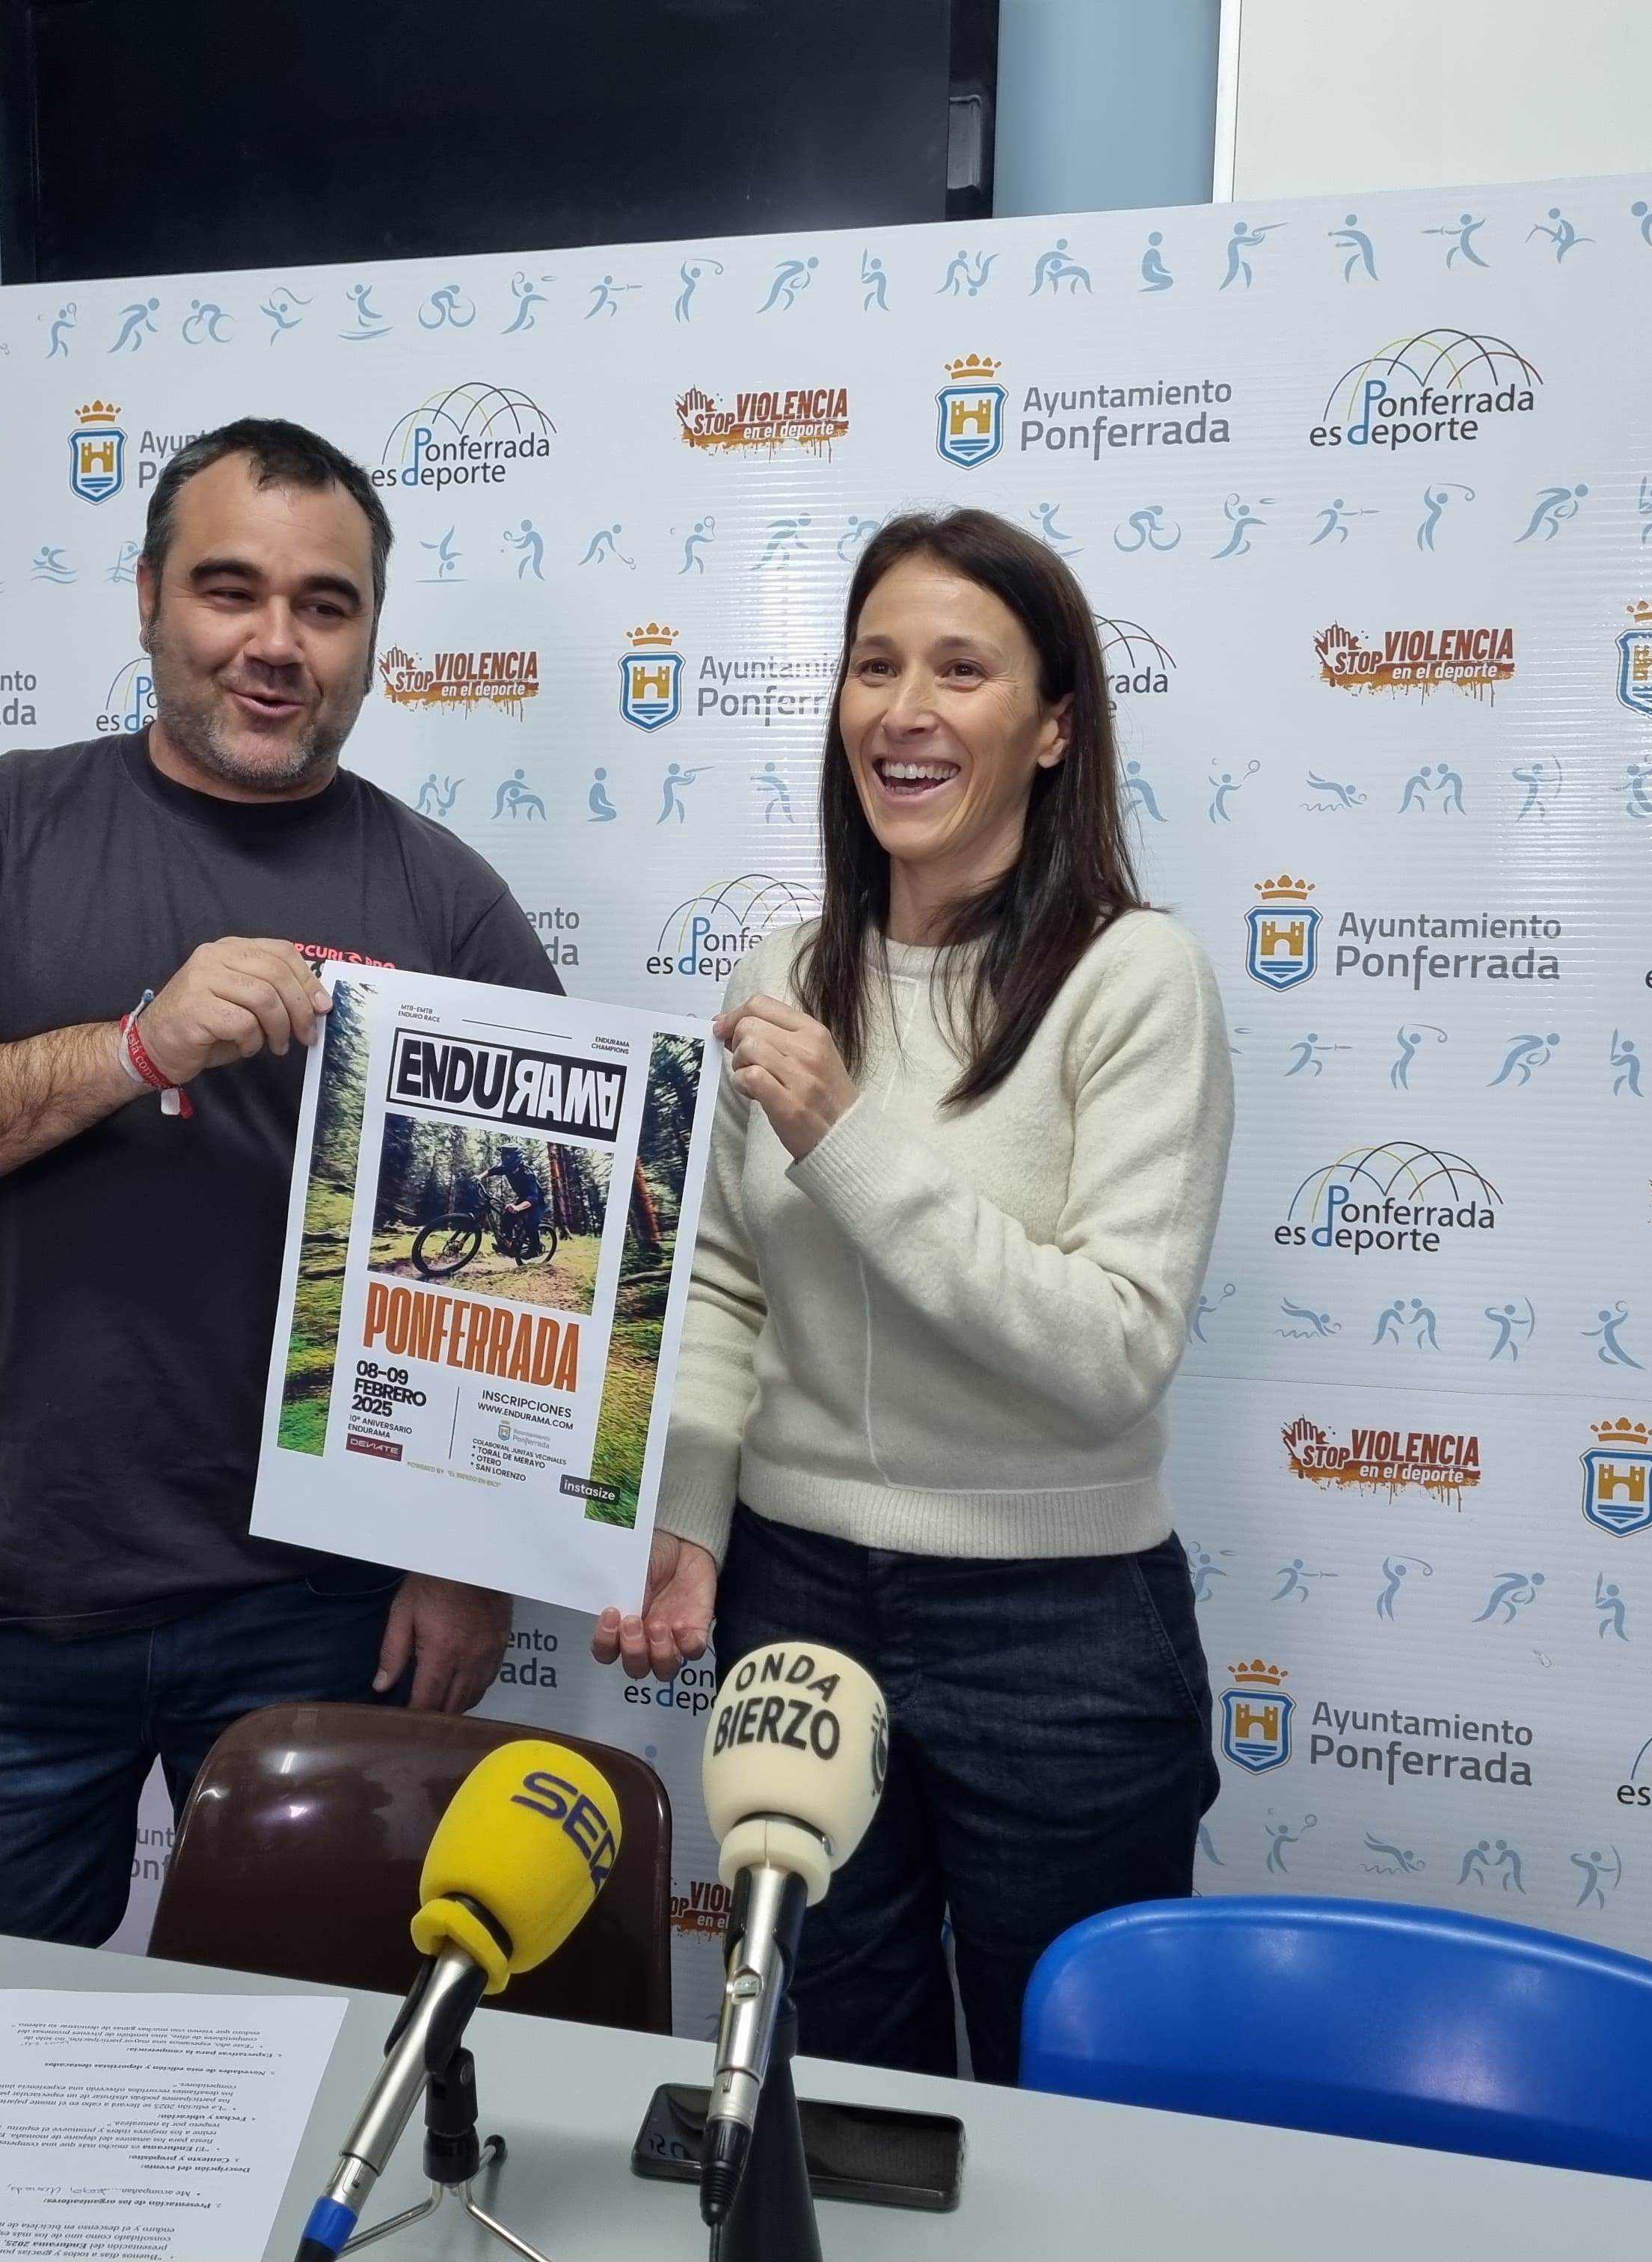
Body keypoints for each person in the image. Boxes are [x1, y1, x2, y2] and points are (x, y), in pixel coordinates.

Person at [0, 418, 555, 1946]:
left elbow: (536, 1280)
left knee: (313, 2045)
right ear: (149, 595)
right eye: (230, 590)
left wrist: (472, 1571)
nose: (275, 644)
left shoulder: (448, 900)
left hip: (327, 1611)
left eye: (325, 606)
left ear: (368, 642)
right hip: (21, 1597)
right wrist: (134, 1046)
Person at [592, 508, 1232, 2082]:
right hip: (798, 1604)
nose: (905, 710)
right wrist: (693, 1517)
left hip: (1060, 1628)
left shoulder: (1134, 976)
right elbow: (732, 1281)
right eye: (874, 666)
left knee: (1068, 2097)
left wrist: (849, 1137)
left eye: (962, 669)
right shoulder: (787, 968)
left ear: (1055, 724)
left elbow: (1114, 1351)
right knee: (834, 2075)